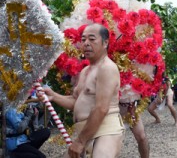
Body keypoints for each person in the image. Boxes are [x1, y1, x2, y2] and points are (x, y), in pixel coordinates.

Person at [38, 24, 125, 158]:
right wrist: (53, 96)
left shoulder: (107, 68)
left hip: (106, 129)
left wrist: (80, 141)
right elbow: (76, 101)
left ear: (105, 42)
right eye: (83, 39)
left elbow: (101, 108)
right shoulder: (85, 71)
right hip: (85, 130)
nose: (86, 43)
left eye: (92, 39)